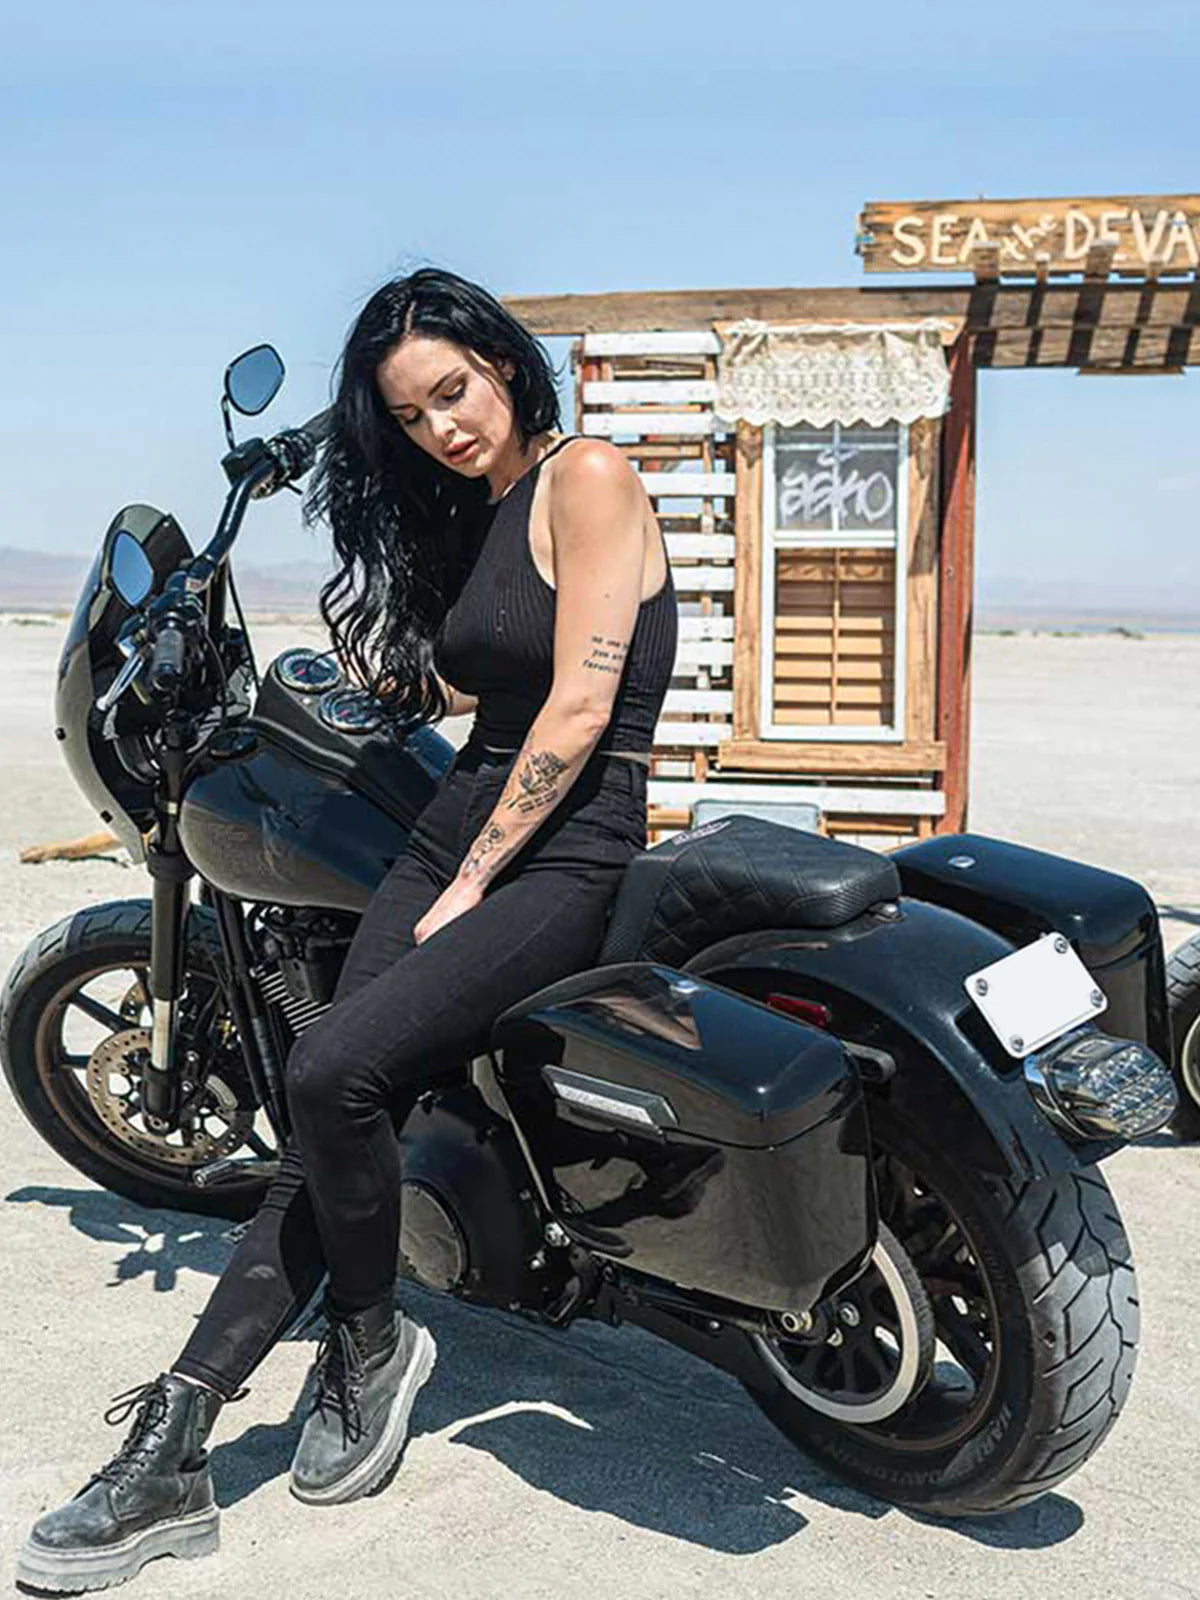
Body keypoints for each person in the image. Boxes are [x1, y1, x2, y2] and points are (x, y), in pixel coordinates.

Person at [17, 267, 677, 1592]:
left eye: (454, 392)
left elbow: (577, 709)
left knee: (328, 1071)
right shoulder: (489, 508)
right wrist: (394, 681)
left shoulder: (588, 477)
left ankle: (369, 1343)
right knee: (321, 1124)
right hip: (456, 821)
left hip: (568, 846)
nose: (443, 428)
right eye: (413, 417)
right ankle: (176, 1440)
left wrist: (472, 880)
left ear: (504, 364)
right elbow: (497, 679)